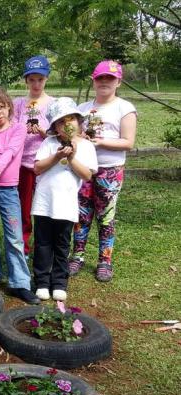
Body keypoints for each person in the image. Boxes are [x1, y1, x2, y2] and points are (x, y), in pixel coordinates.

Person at [70, 60, 137, 282]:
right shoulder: (82, 109)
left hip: (110, 170)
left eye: (110, 78)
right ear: (94, 80)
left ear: (118, 81)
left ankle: (104, 261)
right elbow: (73, 135)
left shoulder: (124, 108)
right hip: (83, 168)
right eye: (100, 78)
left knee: (106, 216)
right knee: (81, 214)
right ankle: (77, 256)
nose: (104, 82)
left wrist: (101, 142)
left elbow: (128, 142)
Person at [0, 86, 40, 305]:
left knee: (14, 237)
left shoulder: (18, 129)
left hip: (8, 190)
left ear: (9, 107)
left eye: (1, 107)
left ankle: (20, 282)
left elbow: (10, 152)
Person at [32, 98, 97, 302]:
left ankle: (59, 282)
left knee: (62, 244)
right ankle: (42, 281)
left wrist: (71, 158)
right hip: (44, 204)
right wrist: (56, 156)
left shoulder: (86, 146)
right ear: (55, 127)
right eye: (61, 121)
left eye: (71, 119)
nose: (67, 124)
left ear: (79, 121)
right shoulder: (48, 143)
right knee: (42, 244)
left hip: (66, 206)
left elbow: (87, 175)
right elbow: (37, 168)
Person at [13, 55, 54, 259]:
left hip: (46, 164)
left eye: (40, 79)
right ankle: (23, 247)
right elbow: (10, 130)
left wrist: (42, 132)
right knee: (24, 208)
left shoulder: (54, 104)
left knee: (44, 208)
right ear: (26, 80)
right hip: (22, 164)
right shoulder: (19, 104)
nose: (36, 84)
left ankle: (44, 246)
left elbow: (59, 134)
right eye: (32, 79)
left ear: (46, 78)